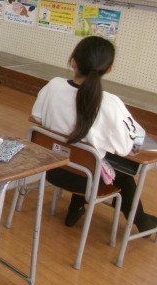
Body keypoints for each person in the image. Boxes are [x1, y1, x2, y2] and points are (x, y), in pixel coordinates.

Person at [32, 35, 157, 231]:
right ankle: (142, 221)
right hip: (86, 180)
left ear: (73, 61)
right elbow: (126, 147)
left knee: (86, 154)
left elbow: (36, 116)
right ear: (109, 69)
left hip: (49, 167)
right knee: (122, 173)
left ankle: (76, 207)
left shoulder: (53, 86)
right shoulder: (110, 103)